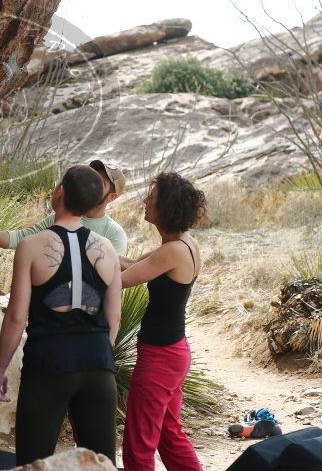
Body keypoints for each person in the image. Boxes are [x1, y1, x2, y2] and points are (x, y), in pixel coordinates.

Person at [0, 165, 122, 466]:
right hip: (97, 366)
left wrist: (0, 370)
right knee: (100, 465)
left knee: (33, 464)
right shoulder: (107, 249)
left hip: (49, 364)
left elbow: (15, 317)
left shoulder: (31, 246)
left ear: (60, 190)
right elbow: (113, 318)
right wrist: (99, 355)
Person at [119, 172, 206, 471]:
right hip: (172, 352)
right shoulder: (183, 243)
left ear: (165, 207)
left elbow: (121, 280)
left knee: (137, 444)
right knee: (169, 434)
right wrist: (93, 247)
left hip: (160, 357)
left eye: (151, 197)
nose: (145, 201)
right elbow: (135, 265)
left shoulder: (173, 250)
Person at [0, 160, 128, 255]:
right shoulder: (61, 218)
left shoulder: (114, 234)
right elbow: (20, 238)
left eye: (101, 183)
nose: (92, 184)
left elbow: (110, 278)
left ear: (112, 197)